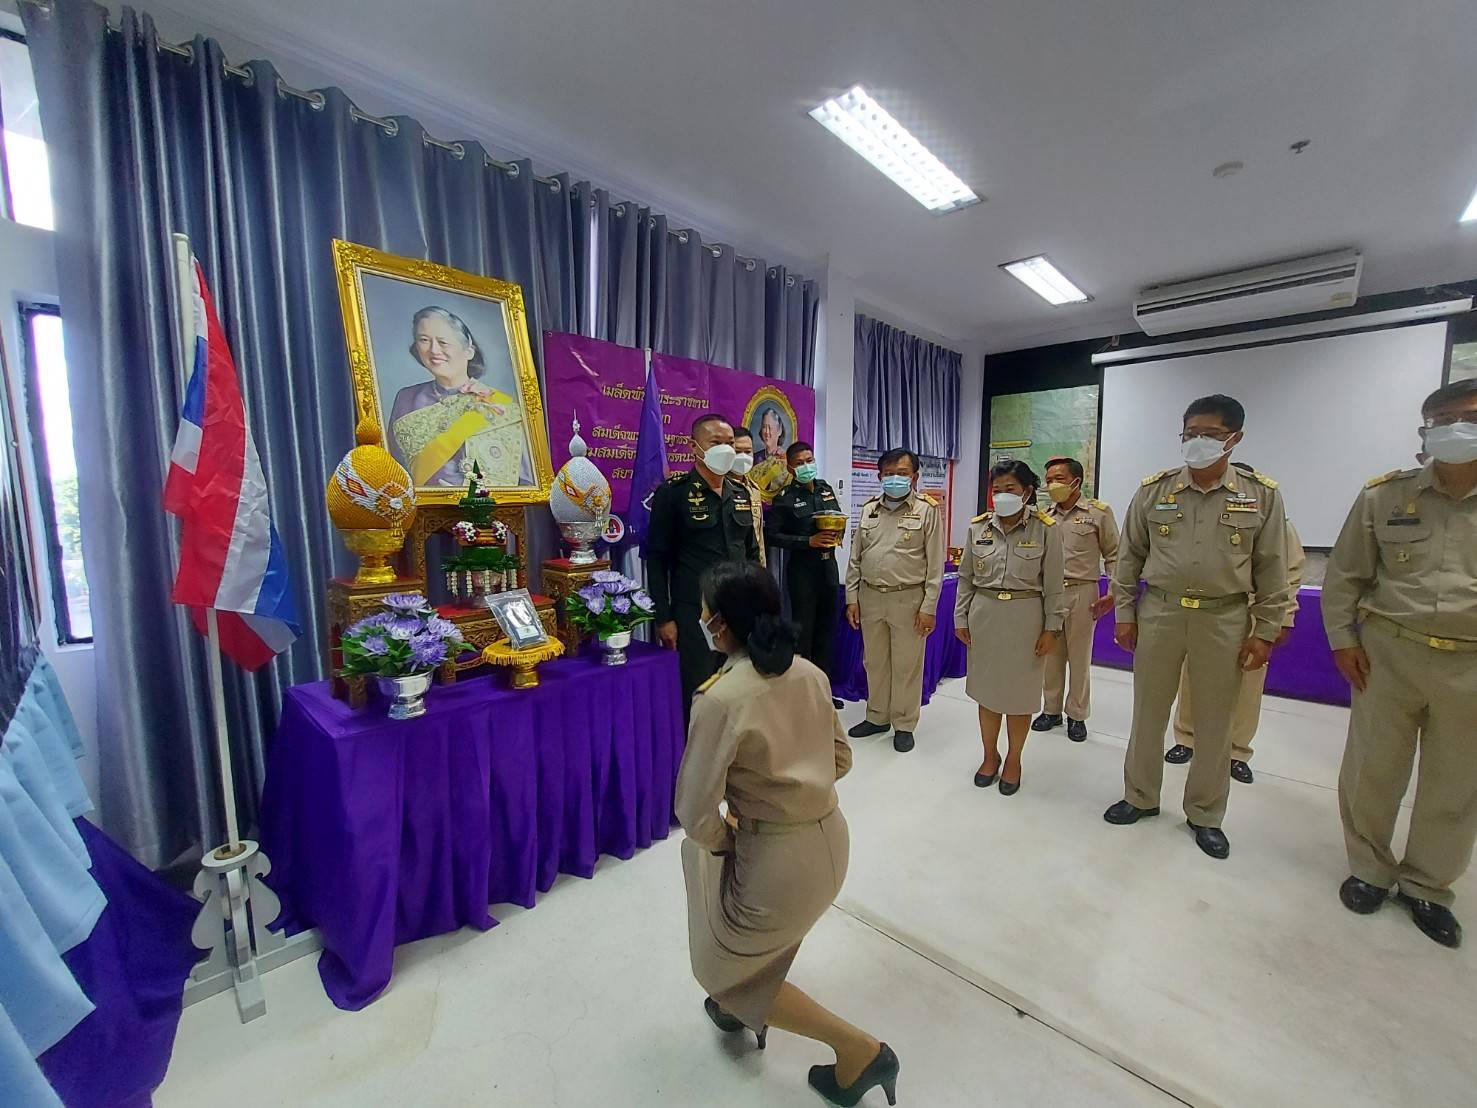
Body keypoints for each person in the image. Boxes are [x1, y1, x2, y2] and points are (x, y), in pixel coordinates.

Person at [676, 562, 900, 1105]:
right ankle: (740, 1010)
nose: (702, 619)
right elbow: (841, 759)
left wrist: (735, 834)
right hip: (831, 839)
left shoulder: (721, 698)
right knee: (758, 932)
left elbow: (694, 810)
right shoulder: (809, 673)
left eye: (706, 612)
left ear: (722, 627)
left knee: (718, 970)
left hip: (776, 859)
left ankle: (859, 1052)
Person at [1323, 378, 1477, 949]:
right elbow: (1345, 577)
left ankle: (1428, 886)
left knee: (1456, 781)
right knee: (1372, 767)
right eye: (1440, 420)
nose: (1453, 429)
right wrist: (1342, 640)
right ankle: (1369, 868)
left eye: (1466, 416)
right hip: (1390, 651)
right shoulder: (1384, 496)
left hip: (1471, 662)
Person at [1103, 394, 1289, 860]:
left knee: (1214, 720)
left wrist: (1265, 629)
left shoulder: (1259, 493)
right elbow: (1129, 560)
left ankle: (1205, 813)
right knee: (1147, 711)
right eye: (1190, 433)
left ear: (1234, 438)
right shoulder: (1154, 490)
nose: (1197, 442)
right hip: (1161, 611)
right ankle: (1139, 797)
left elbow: (1273, 567)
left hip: (1224, 616)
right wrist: (1124, 613)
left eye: (1208, 434)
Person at [1166, 464, 1306, 784]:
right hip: (1209, 609)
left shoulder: (1274, 522)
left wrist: (1283, 617)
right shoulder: (1201, 517)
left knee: (1248, 684)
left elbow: (1289, 573)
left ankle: (1237, 750)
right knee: (1192, 675)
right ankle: (1186, 738)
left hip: (1255, 612)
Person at [955, 461, 1065, 794]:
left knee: (1020, 697)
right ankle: (990, 756)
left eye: (1010, 489)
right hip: (985, 615)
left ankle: (1014, 759)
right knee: (987, 695)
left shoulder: (1046, 529)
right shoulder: (978, 528)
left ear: (1028, 492)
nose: (1002, 496)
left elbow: (1055, 584)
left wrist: (1052, 628)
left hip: (1026, 618)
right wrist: (960, 618)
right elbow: (965, 579)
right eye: (997, 489)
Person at [647, 414, 760, 705]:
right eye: (716, 442)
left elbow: (750, 553)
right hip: (694, 611)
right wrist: (664, 618)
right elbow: (657, 560)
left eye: (730, 444)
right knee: (699, 689)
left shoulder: (740, 494)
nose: (726, 449)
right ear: (694, 447)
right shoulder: (673, 494)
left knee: (739, 685)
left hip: (738, 607)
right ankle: (699, 749)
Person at [844, 449, 945, 753]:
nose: (895, 478)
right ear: (879, 477)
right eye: (889, 473)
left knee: (906, 665)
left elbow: (935, 565)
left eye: (902, 473)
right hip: (871, 596)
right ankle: (877, 716)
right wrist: (852, 598)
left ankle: (903, 723)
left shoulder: (927, 510)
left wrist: (928, 607)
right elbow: (855, 558)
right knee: (874, 662)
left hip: (908, 599)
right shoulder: (869, 509)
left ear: (914, 477)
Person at [388, 306, 524, 487]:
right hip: (419, 510)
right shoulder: (405, 398)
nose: (434, 350)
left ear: (469, 351)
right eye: (424, 340)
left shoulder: (500, 405)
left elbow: (522, 479)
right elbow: (392, 467)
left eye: (443, 342)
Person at [1032, 457, 1119, 742]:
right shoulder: (1045, 515)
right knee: (1051, 656)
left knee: (1080, 657)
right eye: (1048, 480)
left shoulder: (1098, 514)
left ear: (1076, 482)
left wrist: (1114, 591)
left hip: (1083, 591)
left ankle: (1077, 715)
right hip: (1050, 593)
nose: (1052, 485)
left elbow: (1114, 555)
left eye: (1058, 478)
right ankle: (1051, 710)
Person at [770, 441, 845, 709]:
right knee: (805, 632)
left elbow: (836, 517)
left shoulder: (825, 489)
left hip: (828, 568)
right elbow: (773, 535)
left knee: (828, 630)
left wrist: (839, 533)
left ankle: (824, 690)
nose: (806, 466)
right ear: (790, 467)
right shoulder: (785, 497)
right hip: (803, 571)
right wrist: (807, 541)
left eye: (809, 460)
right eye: (800, 462)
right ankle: (802, 694)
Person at [731, 430, 767, 567]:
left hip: (753, 567)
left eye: (748, 452)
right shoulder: (720, 488)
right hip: (730, 569)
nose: (743, 457)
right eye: (737, 452)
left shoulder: (754, 489)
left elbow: (759, 538)